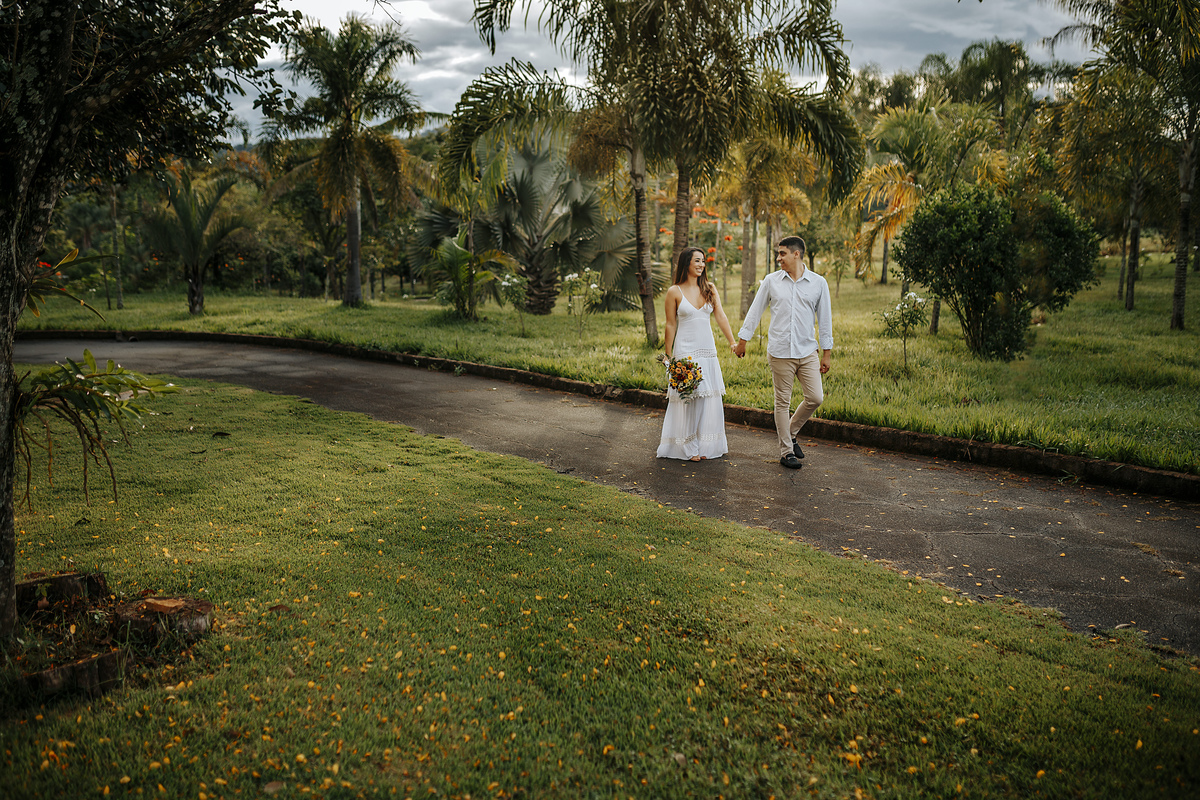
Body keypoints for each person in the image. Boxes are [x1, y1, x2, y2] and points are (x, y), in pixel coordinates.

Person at [733, 236, 832, 469]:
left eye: (782, 254)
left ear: (796, 254)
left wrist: (827, 353)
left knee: (815, 397)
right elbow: (755, 311)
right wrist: (742, 341)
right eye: (778, 254)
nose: (778, 258)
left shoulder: (818, 283)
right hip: (779, 352)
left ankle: (792, 432)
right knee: (782, 402)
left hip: (807, 351)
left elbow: (825, 321)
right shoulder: (771, 281)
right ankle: (786, 451)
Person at [657, 247, 738, 461]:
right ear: (686, 263)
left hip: (707, 351)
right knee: (688, 398)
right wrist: (668, 355)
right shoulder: (674, 291)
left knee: (707, 397)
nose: (701, 265)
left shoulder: (709, 288)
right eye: (697, 261)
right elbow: (670, 324)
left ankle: (703, 446)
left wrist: (732, 342)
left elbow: (720, 316)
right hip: (685, 351)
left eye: (703, 261)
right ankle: (687, 447)